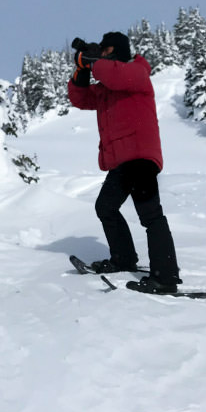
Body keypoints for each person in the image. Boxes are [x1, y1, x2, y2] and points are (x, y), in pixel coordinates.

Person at [67, 32, 181, 294]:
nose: (103, 58)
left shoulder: (136, 72)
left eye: (106, 52)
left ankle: (166, 277)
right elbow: (80, 98)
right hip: (120, 162)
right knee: (105, 207)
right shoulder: (108, 88)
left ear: (116, 52)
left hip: (140, 157)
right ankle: (124, 259)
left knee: (150, 215)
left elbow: (116, 74)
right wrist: (82, 68)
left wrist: (94, 61)